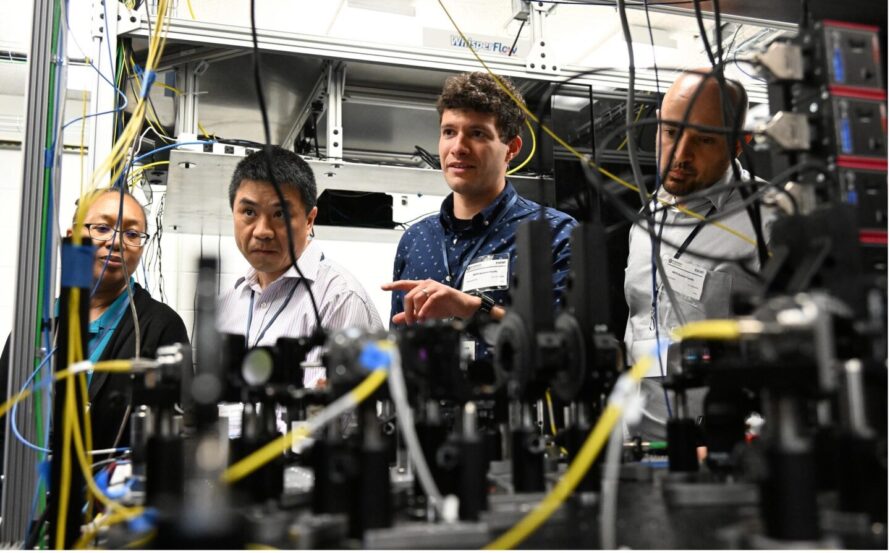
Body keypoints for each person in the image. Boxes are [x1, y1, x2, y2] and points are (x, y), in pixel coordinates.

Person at [623, 69, 777, 439]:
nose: (680, 154)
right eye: (670, 132)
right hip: (637, 439)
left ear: (738, 144)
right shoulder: (648, 217)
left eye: (704, 139)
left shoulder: (769, 218)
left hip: (716, 445)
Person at [383, 71, 577, 358]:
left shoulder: (554, 234)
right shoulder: (415, 240)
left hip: (512, 389)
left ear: (511, 148)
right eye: (449, 132)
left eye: (477, 134)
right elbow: (396, 350)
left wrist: (474, 308)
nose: (458, 148)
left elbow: (569, 347)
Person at [1, 188, 190, 452]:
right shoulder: (34, 325)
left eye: (132, 234)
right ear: (72, 237)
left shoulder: (161, 327)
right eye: (102, 228)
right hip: (31, 477)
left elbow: (177, 434)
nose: (116, 242)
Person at [216, 147, 384, 388]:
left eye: (279, 214)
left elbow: (344, 407)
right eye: (249, 212)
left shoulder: (340, 298)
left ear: (309, 220)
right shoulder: (227, 304)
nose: (262, 231)